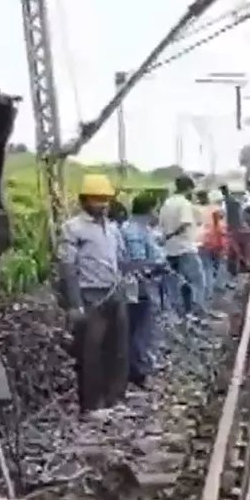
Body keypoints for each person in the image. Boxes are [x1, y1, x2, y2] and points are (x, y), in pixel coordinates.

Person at [59, 174, 131, 413]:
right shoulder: (73, 228)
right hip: (91, 295)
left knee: (118, 349)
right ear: (84, 201)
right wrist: (74, 303)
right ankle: (91, 406)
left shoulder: (112, 228)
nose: (102, 204)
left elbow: (121, 260)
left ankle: (114, 399)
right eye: (96, 199)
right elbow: (67, 267)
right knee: (91, 353)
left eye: (106, 199)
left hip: (115, 293)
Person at [121, 194, 167, 390]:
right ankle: (139, 371)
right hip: (140, 286)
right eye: (156, 209)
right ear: (149, 210)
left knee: (144, 327)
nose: (157, 213)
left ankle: (143, 364)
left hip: (146, 283)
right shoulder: (134, 231)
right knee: (141, 328)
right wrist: (155, 267)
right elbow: (138, 263)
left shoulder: (141, 228)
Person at [157, 175, 210, 320]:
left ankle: (179, 314)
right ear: (188, 188)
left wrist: (167, 237)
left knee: (177, 283)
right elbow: (185, 223)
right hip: (185, 247)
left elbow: (160, 224)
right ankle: (194, 312)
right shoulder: (184, 204)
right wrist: (171, 234)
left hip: (170, 249)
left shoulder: (167, 203)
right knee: (197, 281)